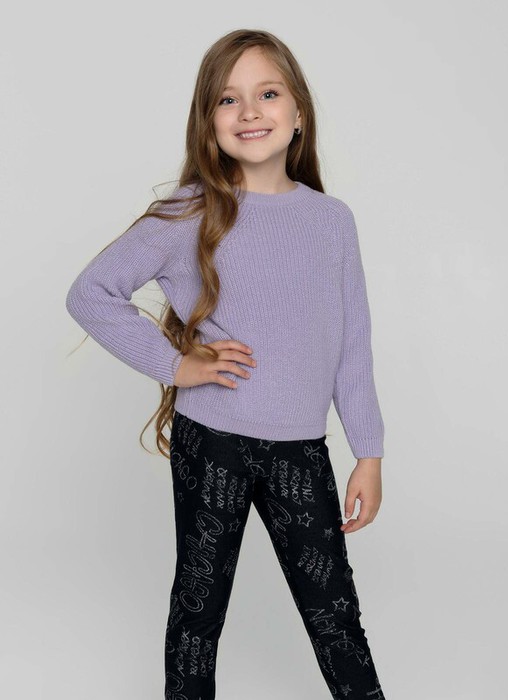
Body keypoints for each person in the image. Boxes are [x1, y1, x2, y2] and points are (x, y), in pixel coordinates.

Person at [65, 28, 387, 700]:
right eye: (227, 99)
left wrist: (368, 451)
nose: (248, 112)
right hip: (211, 443)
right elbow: (90, 293)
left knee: (334, 616)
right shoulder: (189, 212)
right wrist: (175, 365)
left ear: (298, 113)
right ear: (207, 121)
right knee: (198, 610)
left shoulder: (332, 221)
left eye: (267, 94)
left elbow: (352, 342)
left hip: (301, 449)